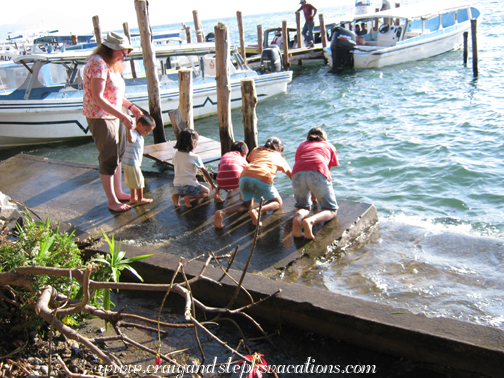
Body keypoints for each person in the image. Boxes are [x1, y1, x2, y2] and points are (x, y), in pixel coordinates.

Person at [83, 32, 143, 212]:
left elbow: (115, 95)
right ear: (112, 49)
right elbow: (98, 97)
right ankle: (112, 201)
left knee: (118, 154)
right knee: (108, 157)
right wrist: (123, 116)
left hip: (114, 114)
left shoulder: (111, 65)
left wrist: (131, 107)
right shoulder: (97, 63)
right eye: (122, 53)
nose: (124, 57)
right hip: (101, 116)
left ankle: (118, 192)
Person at [214, 137, 292, 228]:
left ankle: (222, 212)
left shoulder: (256, 149)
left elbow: (252, 164)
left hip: (244, 176)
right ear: (281, 149)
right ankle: (257, 210)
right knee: (278, 202)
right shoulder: (279, 156)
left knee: (247, 205)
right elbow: (292, 176)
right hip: (261, 177)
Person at [291, 127, 339, 240]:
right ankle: (310, 220)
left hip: (297, 173)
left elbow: (302, 163)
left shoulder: (302, 144)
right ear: (324, 138)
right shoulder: (329, 145)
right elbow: (327, 170)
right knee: (331, 209)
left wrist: (312, 193)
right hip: (318, 170)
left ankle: (298, 219)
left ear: (308, 137)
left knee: (303, 206)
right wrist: (317, 190)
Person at [171, 129, 216, 208]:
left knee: (185, 190)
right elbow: (204, 172)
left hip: (177, 185)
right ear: (193, 143)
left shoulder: (175, 154)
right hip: (189, 185)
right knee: (206, 192)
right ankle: (188, 197)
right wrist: (211, 184)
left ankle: (177, 195)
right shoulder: (194, 157)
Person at [123, 114, 156, 206]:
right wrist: (128, 128)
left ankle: (133, 198)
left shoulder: (139, 135)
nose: (147, 133)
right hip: (132, 163)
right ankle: (140, 199)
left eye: (149, 132)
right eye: (146, 130)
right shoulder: (134, 133)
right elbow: (131, 139)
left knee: (132, 181)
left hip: (128, 162)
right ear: (139, 125)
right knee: (139, 181)